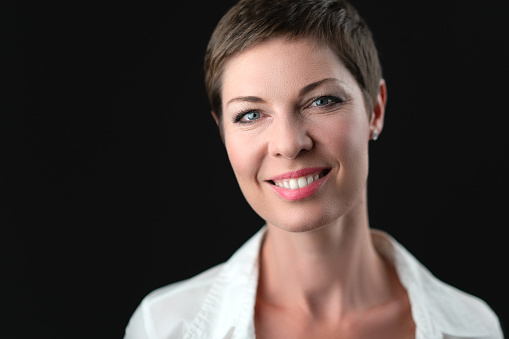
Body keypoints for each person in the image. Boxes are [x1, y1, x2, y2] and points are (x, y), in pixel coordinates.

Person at [124, 0, 503, 338]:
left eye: (321, 101)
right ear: (222, 131)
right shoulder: (164, 327)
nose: (289, 144)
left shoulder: (474, 328)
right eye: (250, 115)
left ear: (375, 110)